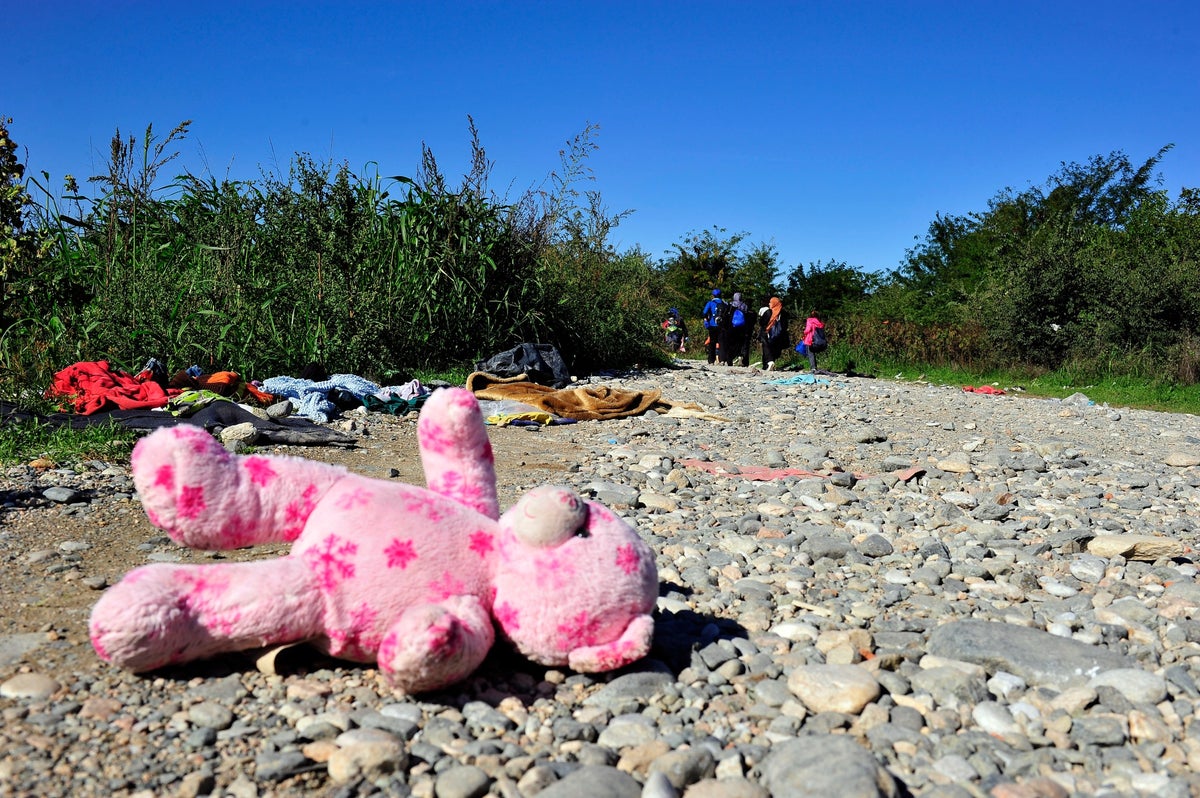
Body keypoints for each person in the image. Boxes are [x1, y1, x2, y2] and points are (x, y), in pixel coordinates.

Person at [722, 292, 752, 366]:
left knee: (730, 343)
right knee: (740, 343)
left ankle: (729, 360)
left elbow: (726, 316)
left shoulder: (731, 305)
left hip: (731, 327)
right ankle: (740, 355)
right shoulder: (744, 306)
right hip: (742, 328)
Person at [760, 296, 789, 370]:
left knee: (766, 347)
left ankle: (768, 363)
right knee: (775, 349)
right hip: (779, 335)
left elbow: (762, 322)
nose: (769, 304)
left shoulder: (769, 312)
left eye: (770, 302)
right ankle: (770, 363)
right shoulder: (784, 313)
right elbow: (785, 325)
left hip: (768, 333)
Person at [701, 289, 726, 365]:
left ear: (713, 295)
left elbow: (704, 312)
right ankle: (722, 360)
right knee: (722, 342)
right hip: (722, 326)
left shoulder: (710, 303)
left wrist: (706, 320)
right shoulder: (724, 303)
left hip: (712, 325)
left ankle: (711, 360)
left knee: (712, 342)